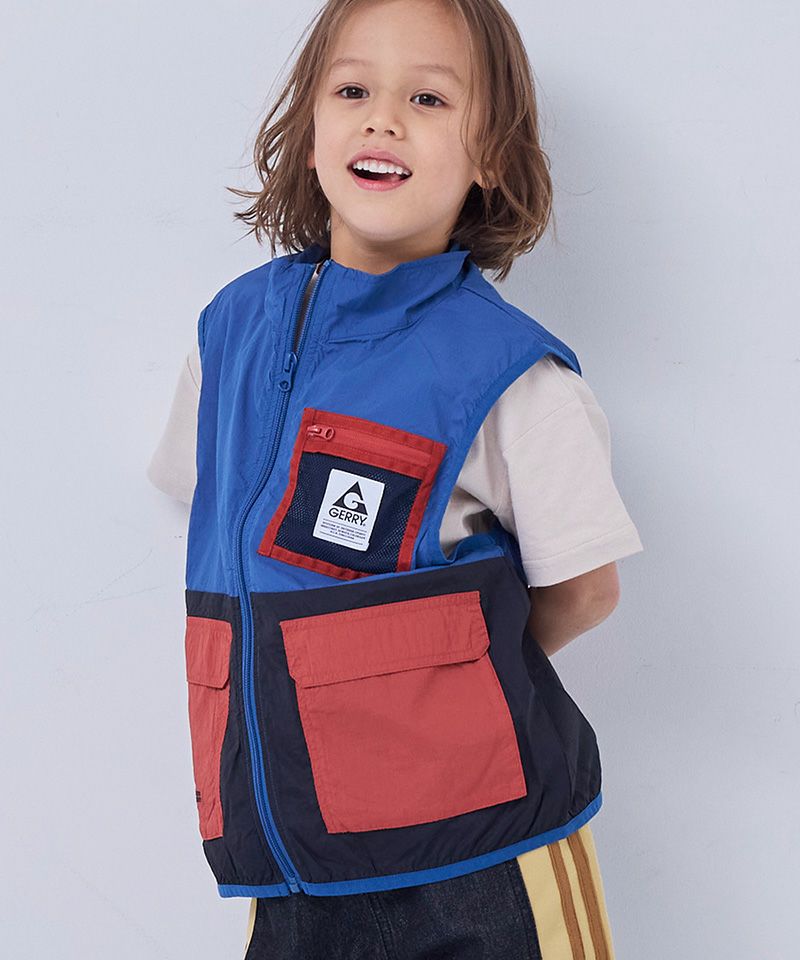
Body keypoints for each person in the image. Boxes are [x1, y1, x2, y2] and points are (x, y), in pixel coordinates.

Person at [148, 0, 643, 956]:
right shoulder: (230, 333)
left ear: (490, 154)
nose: (383, 119)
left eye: (428, 98)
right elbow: (207, 511)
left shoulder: (510, 373)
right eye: (352, 91)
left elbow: (585, 590)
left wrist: (437, 689)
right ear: (310, 133)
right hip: (291, 859)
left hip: (486, 855)